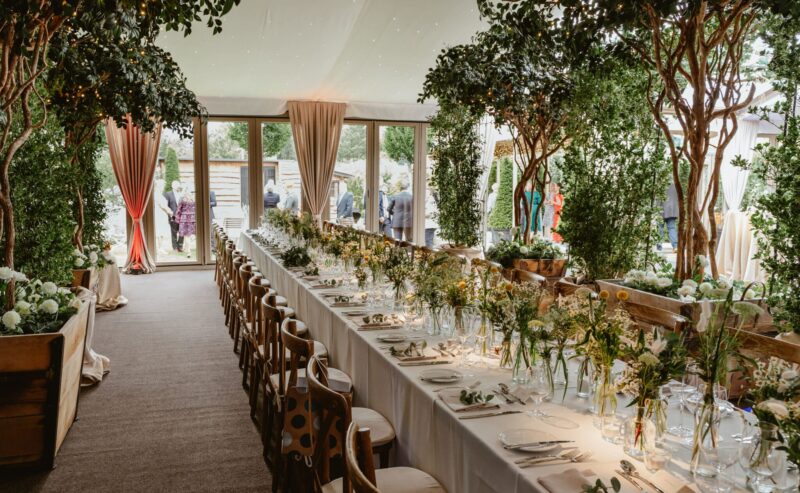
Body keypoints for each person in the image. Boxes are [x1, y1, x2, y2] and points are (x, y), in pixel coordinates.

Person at [175, 186, 196, 257]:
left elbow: (178, 210)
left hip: (184, 218)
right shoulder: (193, 199)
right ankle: (187, 249)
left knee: (187, 236)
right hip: (192, 218)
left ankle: (189, 251)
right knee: (189, 235)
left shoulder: (182, 198)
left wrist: (177, 219)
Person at [163, 180, 184, 252]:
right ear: (173, 186)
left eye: (179, 185)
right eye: (177, 185)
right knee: (174, 232)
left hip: (182, 215)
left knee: (182, 231)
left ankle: (180, 246)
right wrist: (170, 214)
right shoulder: (168, 194)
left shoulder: (181, 194)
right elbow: (166, 205)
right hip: (173, 216)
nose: (178, 186)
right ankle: (175, 247)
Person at [660, 182, 679, 251]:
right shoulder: (676, 185)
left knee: (660, 227)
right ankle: (675, 246)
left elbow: (658, 199)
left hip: (661, 209)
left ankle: (659, 245)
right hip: (672, 210)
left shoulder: (660, 184)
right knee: (672, 228)